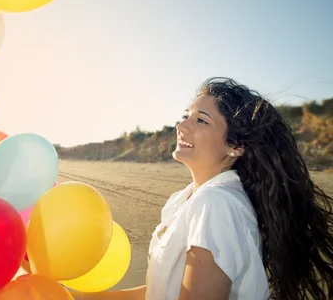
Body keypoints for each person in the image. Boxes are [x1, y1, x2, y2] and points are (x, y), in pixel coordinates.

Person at [70, 77, 333, 300]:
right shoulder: (185, 199)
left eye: (201, 121)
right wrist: (74, 296)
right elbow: (161, 292)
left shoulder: (216, 204)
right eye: (186, 116)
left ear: (235, 147)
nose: (181, 126)